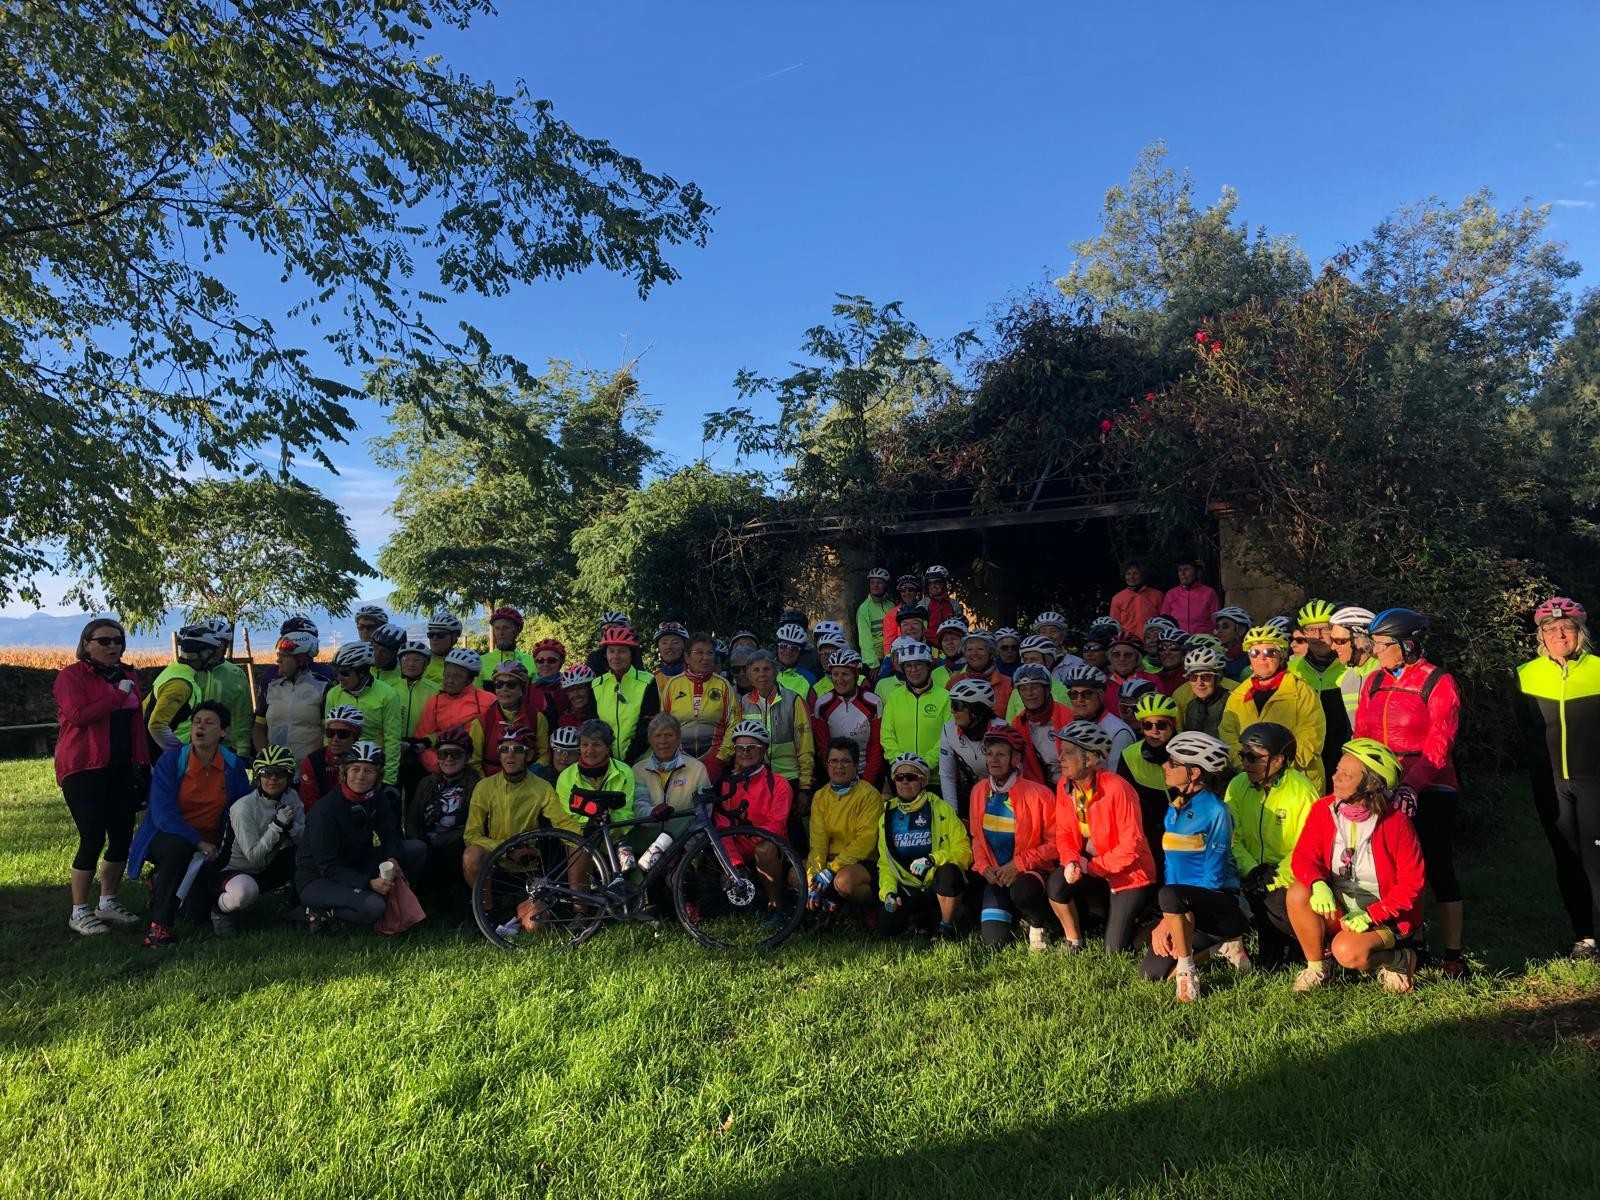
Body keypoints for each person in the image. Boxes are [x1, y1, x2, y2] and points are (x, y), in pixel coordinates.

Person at [1354, 606, 1465, 977]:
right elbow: (1361, 736)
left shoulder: (1438, 682)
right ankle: (1411, 946)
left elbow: (1439, 745)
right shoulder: (1373, 681)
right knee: (1395, 869)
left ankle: (1454, 955)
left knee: (1437, 865)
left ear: (1408, 645)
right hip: (1384, 785)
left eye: (1382, 644)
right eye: (1372, 642)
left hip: (1431, 784)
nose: (1374, 650)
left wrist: (1412, 786)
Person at [1287, 739, 1426, 993]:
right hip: (1343, 908)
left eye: (1346, 774)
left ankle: (1399, 959)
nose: (1335, 777)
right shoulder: (1323, 809)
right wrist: (1317, 884)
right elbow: (1303, 857)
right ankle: (1317, 968)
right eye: (1337, 769)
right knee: (1298, 892)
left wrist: (1372, 915)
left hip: (1385, 916)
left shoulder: (1396, 823)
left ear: (1371, 784)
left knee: (1347, 952)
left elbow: (1412, 884)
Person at [127, 701, 253, 947]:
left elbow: (242, 808)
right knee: (178, 848)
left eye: (209, 723)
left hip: (212, 844)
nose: (200, 727)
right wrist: (198, 842)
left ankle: (159, 882)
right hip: (167, 836)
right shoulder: (171, 762)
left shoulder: (233, 765)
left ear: (224, 731)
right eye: (197, 722)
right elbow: (163, 815)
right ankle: (159, 928)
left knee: (197, 914)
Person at [1515, 597, 1600, 960]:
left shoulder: (1598, 669)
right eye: (1550, 629)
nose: (1559, 635)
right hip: (1550, 783)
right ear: (1541, 636)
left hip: (1594, 780)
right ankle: (1585, 936)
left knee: (1596, 857)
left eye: (1567, 627)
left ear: (1580, 632)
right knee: (1566, 858)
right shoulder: (1524, 674)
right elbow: (1526, 728)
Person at [54, 616, 150, 935]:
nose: (112, 646)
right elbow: (78, 715)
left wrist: (142, 763)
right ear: (86, 644)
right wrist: (117, 696)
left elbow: (137, 725)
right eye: (104, 641)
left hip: (120, 768)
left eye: (118, 641)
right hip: (83, 767)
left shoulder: (128, 676)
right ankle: (79, 911)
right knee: (92, 837)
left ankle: (107, 902)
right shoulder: (71, 676)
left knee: (122, 836)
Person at [1140, 732, 1252, 1001]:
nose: (1165, 766)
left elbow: (1213, 878)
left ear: (1195, 772)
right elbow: (1171, 869)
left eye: (1173, 763)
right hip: (1182, 904)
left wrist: (1171, 912)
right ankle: (1221, 949)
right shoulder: (1174, 808)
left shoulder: (1216, 811)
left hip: (1220, 905)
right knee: (1150, 974)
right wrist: (1168, 918)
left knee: (1170, 896)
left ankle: (1187, 973)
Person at [1047, 721, 1158, 954]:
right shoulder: (1065, 785)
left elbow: (1132, 846)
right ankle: (1073, 941)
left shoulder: (1118, 788)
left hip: (1130, 873)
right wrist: (1071, 861)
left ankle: (1155, 922)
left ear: (1089, 759)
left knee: (1115, 951)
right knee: (1056, 886)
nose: (1060, 757)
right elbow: (1064, 833)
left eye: (1069, 752)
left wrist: (1091, 867)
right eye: (1062, 751)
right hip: (1093, 866)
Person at [295, 740, 426, 931]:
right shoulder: (325, 811)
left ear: (377, 775)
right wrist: (368, 883)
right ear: (344, 772)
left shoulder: (375, 796)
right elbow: (328, 867)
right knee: (374, 907)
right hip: (319, 878)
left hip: (357, 862)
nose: (360, 776)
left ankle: (398, 900)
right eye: (355, 769)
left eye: (368, 771)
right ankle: (313, 912)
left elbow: (389, 832)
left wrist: (393, 858)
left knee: (416, 848)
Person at [1225, 722, 1319, 968]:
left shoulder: (1302, 791)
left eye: (1254, 757)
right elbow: (1232, 836)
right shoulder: (1237, 785)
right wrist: (1251, 870)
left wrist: (1275, 877)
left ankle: (1305, 946)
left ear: (1279, 760)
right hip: (1250, 871)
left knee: (1275, 899)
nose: (1246, 763)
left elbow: (1307, 846)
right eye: (1243, 755)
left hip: (1285, 875)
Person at [966, 721, 1058, 949]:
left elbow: (1056, 844)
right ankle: (1018, 916)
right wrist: (984, 867)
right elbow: (977, 838)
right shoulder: (978, 791)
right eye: (989, 754)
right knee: (993, 943)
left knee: (1023, 892)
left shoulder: (1040, 794)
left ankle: (1038, 921)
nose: (993, 760)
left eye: (1001, 754)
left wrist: (1018, 864)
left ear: (1016, 759)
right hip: (997, 875)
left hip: (1030, 874)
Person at [462, 725, 577, 892]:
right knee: (471, 855)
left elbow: (563, 823)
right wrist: (506, 849)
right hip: (495, 861)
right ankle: (485, 907)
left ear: (529, 755)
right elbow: (471, 835)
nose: (510, 755)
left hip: (530, 865)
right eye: (504, 749)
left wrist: (585, 838)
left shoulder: (542, 787)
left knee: (535, 912)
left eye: (517, 750)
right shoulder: (484, 786)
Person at [212, 745, 305, 937]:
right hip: (235, 870)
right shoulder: (243, 808)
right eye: (266, 772)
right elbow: (254, 857)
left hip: (268, 866)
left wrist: (291, 827)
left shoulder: (292, 796)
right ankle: (220, 911)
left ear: (289, 777)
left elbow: (304, 840)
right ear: (257, 776)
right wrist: (277, 826)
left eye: (280, 773)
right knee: (245, 891)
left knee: (306, 857)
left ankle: (293, 905)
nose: (272, 778)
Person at [1219, 625, 1326, 790]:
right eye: (1254, 653)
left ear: (1281, 656)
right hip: (1252, 779)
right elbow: (1228, 735)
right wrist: (1247, 764)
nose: (1261, 658)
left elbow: (1311, 736)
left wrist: (1278, 767)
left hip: (1295, 780)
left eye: (1269, 652)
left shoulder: (1301, 690)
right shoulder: (1239, 694)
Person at [877, 752, 971, 941]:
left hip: (937, 883)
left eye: (911, 777)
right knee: (887, 926)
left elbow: (964, 851)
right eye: (899, 777)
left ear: (923, 780)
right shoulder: (887, 814)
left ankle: (946, 925)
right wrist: (889, 892)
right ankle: (921, 919)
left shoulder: (941, 808)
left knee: (949, 872)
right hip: (909, 886)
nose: (904, 782)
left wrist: (932, 859)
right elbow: (885, 863)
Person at [720, 720, 797, 923]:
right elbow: (722, 829)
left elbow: (776, 825)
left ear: (763, 750)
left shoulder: (779, 784)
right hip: (739, 852)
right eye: (740, 748)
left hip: (770, 849)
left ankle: (775, 906)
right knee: (725, 871)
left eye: (752, 747)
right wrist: (735, 863)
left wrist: (753, 844)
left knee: (764, 849)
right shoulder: (727, 785)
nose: (745, 752)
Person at [805, 739, 882, 920]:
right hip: (830, 860)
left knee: (844, 881)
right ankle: (830, 904)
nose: (839, 766)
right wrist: (813, 878)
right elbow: (818, 842)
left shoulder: (870, 795)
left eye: (845, 761)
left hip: (861, 862)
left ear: (855, 765)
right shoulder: (820, 796)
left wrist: (831, 870)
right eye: (833, 761)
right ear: (827, 764)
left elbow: (865, 842)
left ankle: (869, 908)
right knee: (796, 876)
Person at [404, 726, 479, 898]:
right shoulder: (426, 783)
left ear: (467, 757)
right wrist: (417, 841)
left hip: (457, 844)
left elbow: (475, 825)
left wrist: (444, 839)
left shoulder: (476, 785)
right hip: (427, 842)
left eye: (456, 754)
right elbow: (411, 819)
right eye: (443, 754)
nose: (449, 759)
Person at [322, 642, 403, 786]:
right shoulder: (333, 693)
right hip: (343, 765)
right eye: (337, 672)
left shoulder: (388, 694)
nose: (339, 678)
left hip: (372, 765)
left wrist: (389, 780)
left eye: (345, 673)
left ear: (362, 672)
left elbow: (392, 740)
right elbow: (327, 734)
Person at [659, 633, 737, 782]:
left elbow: (733, 723)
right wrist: (670, 755)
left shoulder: (723, 685)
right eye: (699, 653)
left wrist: (721, 757)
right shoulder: (673, 685)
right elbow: (663, 723)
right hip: (679, 760)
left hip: (715, 760)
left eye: (710, 653)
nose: (706, 658)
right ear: (687, 657)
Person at [1289, 599, 1352, 784]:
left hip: (1345, 756)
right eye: (1310, 630)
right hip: (1308, 762)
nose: (1317, 636)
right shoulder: (1292, 670)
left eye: (1325, 629)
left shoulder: (1349, 666)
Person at [1117, 692, 1179, 876]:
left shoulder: (1186, 751)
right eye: (1147, 725)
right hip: (1148, 834)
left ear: (1173, 725)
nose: (1154, 730)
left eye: (1161, 725)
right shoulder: (1129, 755)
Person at [144, 624, 224, 755]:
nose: (214, 660)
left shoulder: (179, 669)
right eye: (213, 655)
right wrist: (180, 753)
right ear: (203, 654)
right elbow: (157, 725)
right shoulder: (180, 684)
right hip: (160, 755)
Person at [878, 642, 951, 784]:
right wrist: (902, 764)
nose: (913, 670)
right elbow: (886, 735)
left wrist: (925, 764)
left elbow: (948, 737)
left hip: (937, 778)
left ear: (928, 666)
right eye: (908, 666)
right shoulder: (894, 697)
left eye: (919, 664)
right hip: (903, 778)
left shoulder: (945, 697)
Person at [414, 647, 495, 774]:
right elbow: (422, 739)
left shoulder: (488, 700)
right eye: (446, 675)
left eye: (457, 676)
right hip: (442, 768)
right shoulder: (434, 702)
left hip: (477, 769)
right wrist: (439, 766)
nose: (449, 681)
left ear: (470, 679)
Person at [633, 713, 711, 844]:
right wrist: (653, 813)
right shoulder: (638, 770)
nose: (663, 741)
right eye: (657, 735)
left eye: (668, 735)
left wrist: (688, 848)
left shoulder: (697, 769)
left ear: (679, 738)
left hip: (684, 849)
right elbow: (638, 805)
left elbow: (704, 813)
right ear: (650, 740)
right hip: (644, 849)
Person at [254, 629, 329, 763]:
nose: (278, 660)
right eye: (279, 655)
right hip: (275, 768)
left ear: (301, 660)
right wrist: (265, 759)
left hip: (308, 767)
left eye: (284, 656)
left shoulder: (323, 687)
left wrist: (311, 763)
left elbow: (326, 732)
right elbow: (259, 728)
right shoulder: (271, 687)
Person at [811, 650, 884, 786]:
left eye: (845, 674)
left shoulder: (873, 702)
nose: (840, 680)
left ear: (856, 675)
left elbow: (876, 746)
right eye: (835, 674)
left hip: (867, 774)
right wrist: (834, 777)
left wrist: (866, 783)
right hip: (836, 774)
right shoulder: (822, 705)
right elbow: (824, 747)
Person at [592, 623, 661, 764]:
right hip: (607, 762)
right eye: (611, 651)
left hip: (642, 761)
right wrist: (609, 758)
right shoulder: (596, 684)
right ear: (605, 654)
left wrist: (629, 758)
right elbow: (595, 725)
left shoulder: (647, 681)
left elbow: (648, 724)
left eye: (622, 651)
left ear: (631, 654)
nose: (616, 656)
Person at [195, 618, 254, 757]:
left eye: (220, 643)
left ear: (226, 647)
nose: (215, 648)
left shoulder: (236, 674)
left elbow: (243, 716)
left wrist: (243, 749)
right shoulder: (190, 671)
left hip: (226, 749)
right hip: (190, 746)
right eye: (210, 642)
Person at [939, 678, 998, 816]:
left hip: (999, 799)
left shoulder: (1002, 729)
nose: (952, 711)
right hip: (967, 797)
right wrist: (952, 814)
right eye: (952, 704)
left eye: (957, 706)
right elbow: (947, 775)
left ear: (976, 710)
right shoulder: (949, 730)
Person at [483, 661, 552, 775]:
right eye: (499, 684)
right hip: (491, 780)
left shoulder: (537, 718)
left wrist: (533, 773)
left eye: (511, 684)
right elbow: (474, 761)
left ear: (522, 689)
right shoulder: (483, 721)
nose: (504, 689)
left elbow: (544, 754)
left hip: (527, 779)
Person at [391, 638, 441, 797]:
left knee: (418, 800)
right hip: (393, 751)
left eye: (417, 660)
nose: (411, 664)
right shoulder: (388, 688)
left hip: (422, 752)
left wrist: (427, 742)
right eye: (406, 659)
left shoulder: (437, 691)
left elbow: (443, 724)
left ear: (426, 664)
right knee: (391, 799)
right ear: (399, 662)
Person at [1010, 663, 1072, 787]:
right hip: (1037, 788)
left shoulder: (1068, 717)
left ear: (1047, 690)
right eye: (1023, 689)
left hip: (1068, 784)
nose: (1029, 693)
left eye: (1034, 687)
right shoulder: (1018, 723)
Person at [1062, 664, 1136, 768]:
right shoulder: (1069, 725)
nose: (1079, 699)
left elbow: (1116, 775)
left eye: (1087, 694)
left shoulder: (1119, 733)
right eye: (1074, 694)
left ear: (1101, 695)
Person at [300, 705, 364, 810]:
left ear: (356, 736)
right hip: (322, 815)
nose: (335, 739)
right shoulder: (314, 761)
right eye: (330, 733)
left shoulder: (366, 761)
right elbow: (309, 802)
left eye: (342, 734)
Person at [944, 628, 1014, 715]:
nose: (974, 653)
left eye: (980, 649)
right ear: (964, 653)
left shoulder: (1007, 684)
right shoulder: (954, 683)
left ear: (990, 652)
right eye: (970, 649)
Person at [1330, 606, 1378, 722]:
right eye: (1332, 640)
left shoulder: (1387, 675)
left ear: (1361, 641)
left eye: (1339, 641)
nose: (1333, 647)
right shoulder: (1344, 680)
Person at [1159, 559, 1220, 634]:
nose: (1182, 573)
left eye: (1186, 569)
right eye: (1180, 570)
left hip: (1203, 639)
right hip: (1178, 639)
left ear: (1196, 572)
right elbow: (1164, 622)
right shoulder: (1171, 594)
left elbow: (1216, 621)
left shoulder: (1209, 593)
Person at [1106, 633, 1161, 708]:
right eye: (1116, 654)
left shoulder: (1152, 680)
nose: (1122, 659)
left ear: (1137, 658)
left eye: (1128, 655)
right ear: (1111, 658)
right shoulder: (1103, 683)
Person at [856, 567, 896, 671]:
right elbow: (864, 639)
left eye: (879, 582)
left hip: (892, 655)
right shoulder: (864, 608)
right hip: (876, 660)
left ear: (885, 585)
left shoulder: (891, 605)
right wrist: (873, 664)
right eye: (872, 582)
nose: (875, 586)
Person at [1110, 563, 1164, 634]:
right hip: (1127, 639)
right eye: (1128, 574)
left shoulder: (1157, 595)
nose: (1131, 577)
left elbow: (1163, 621)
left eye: (1135, 573)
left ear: (1143, 575)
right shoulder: (1117, 598)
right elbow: (1114, 625)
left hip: (1151, 638)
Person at [528, 638, 572, 725]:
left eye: (551, 660)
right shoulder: (529, 690)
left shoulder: (569, 688)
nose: (546, 664)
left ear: (561, 662)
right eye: (540, 661)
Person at [774, 623, 816, 700]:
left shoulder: (809, 679)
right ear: (777, 647)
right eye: (783, 646)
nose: (788, 651)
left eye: (794, 648)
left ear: (800, 653)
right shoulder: (765, 671)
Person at [422, 611, 464, 686]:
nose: (434, 638)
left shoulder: (464, 663)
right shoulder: (420, 661)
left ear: (454, 637)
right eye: (431, 635)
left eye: (440, 635)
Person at [1212, 606, 1253, 681]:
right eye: (1218, 627)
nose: (1219, 630)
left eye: (1225, 626)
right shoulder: (1215, 655)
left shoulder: (1253, 656)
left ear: (1241, 629)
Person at [368, 622, 408, 688]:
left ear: (396, 654)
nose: (377, 654)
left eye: (384, 651)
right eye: (375, 647)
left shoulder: (404, 676)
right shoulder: (360, 668)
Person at [653, 620, 691, 685]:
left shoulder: (698, 675)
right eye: (664, 643)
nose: (669, 647)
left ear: (685, 646)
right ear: (658, 647)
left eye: (675, 642)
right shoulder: (653, 680)